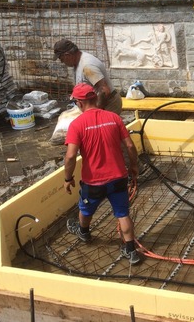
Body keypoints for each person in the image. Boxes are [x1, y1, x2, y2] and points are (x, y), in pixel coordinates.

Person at [63, 82, 141, 264]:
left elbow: (70, 156)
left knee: (85, 208)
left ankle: (83, 232)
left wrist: (68, 178)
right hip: (118, 177)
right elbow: (129, 145)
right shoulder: (113, 118)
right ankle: (131, 251)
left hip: (94, 181)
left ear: (80, 103)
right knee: (122, 213)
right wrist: (134, 166)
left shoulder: (77, 125)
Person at [54, 39, 122, 115]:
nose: (62, 62)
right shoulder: (78, 61)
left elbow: (105, 91)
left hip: (108, 104)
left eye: (61, 59)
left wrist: (95, 111)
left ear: (68, 55)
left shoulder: (87, 66)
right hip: (97, 103)